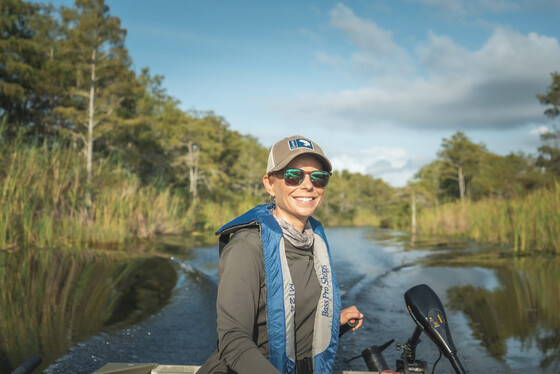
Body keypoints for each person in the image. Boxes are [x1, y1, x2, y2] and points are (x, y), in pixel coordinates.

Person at [197, 135, 363, 374]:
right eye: (293, 176)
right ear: (269, 184)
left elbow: (286, 320)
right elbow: (233, 343)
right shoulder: (246, 248)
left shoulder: (313, 242)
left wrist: (333, 322)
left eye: (318, 178)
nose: (308, 185)